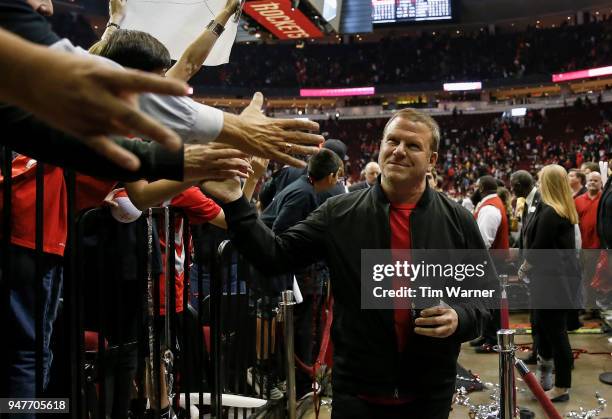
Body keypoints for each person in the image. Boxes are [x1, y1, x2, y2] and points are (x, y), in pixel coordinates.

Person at [203, 108, 494, 418]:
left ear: (432, 160)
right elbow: (275, 255)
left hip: (430, 393)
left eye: (412, 145)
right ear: (380, 147)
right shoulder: (339, 213)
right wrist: (235, 202)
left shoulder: (457, 221)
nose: (398, 151)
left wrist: (459, 318)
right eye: (392, 141)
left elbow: (486, 295)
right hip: (357, 392)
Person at [518, 164, 581, 402]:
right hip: (551, 281)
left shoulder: (551, 212)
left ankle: (562, 386)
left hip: (551, 283)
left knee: (556, 333)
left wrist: (524, 269)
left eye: (541, 179)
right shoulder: (553, 209)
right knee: (544, 328)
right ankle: (545, 378)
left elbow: (538, 249)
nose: (538, 183)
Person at [470, 176, 509, 353]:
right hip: (491, 260)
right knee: (486, 300)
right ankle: (486, 335)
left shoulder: (489, 208)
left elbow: (483, 241)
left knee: (491, 301)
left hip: (490, 261)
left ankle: (492, 340)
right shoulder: (492, 204)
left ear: (481, 188)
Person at [575, 171, 603, 313]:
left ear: (601, 183)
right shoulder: (578, 200)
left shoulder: (604, 199)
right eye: (590, 180)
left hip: (599, 246)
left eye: (596, 180)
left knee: (594, 279)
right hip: (583, 246)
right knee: (585, 279)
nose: (592, 182)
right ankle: (587, 307)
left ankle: (592, 308)